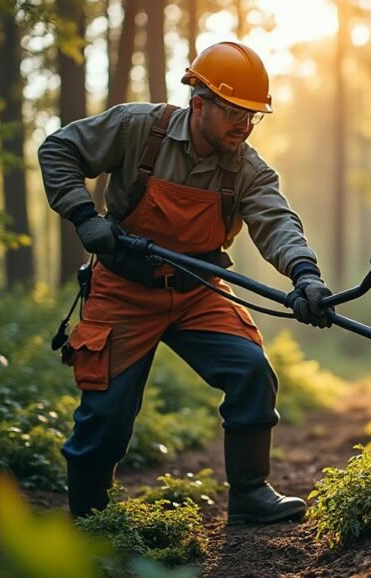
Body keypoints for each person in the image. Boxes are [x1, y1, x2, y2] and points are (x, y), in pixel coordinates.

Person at [38, 41, 332, 525]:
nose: (244, 125)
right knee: (105, 417)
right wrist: (84, 215)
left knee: (251, 371)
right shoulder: (137, 128)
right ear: (200, 103)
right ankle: (90, 521)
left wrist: (306, 277)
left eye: (252, 116)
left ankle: (250, 494)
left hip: (199, 290)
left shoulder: (248, 170)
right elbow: (59, 149)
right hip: (123, 289)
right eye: (235, 112)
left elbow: (277, 223)